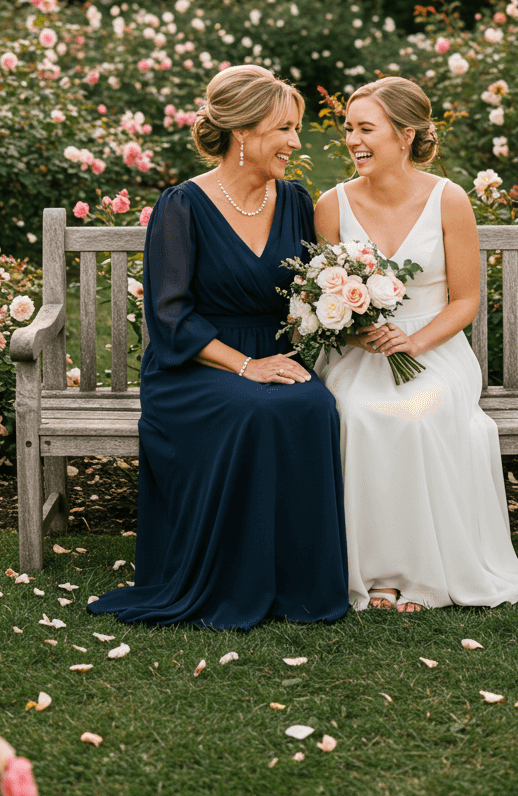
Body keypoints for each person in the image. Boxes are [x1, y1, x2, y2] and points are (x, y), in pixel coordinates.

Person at [88, 65, 348, 630]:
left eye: (296, 128)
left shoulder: (298, 201)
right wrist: (247, 365)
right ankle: (232, 578)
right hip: (193, 364)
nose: (296, 143)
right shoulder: (183, 205)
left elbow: (315, 284)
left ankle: (298, 585)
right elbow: (170, 317)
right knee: (253, 408)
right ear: (243, 133)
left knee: (314, 406)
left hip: (273, 356)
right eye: (284, 129)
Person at [314, 76, 518, 613]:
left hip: (434, 350)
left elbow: (464, 300)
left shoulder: (448, 199)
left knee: (420, 415)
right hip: (359, 351)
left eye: (367, 129)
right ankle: (376, 574)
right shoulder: (331, 206)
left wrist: (412, 341)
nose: (353, 141)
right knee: (358, 414)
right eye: (348, 129)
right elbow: (326, 293)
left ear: (405, 135)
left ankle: (426, 575)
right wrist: (360, 329)